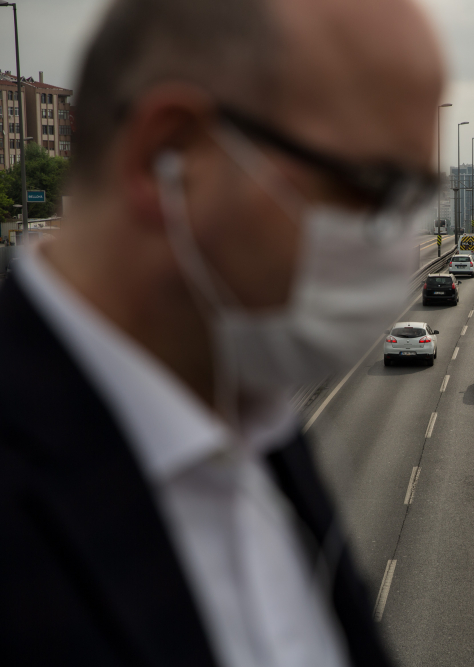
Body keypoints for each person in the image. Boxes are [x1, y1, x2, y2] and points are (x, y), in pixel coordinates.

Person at [0, 0, 443, 665]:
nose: (400, 247)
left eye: (413, 201)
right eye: (369, 187)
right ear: (169, 157)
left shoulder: (259, 425)